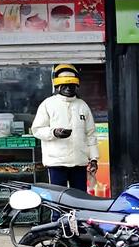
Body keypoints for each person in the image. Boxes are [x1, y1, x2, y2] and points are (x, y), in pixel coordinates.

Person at [32, 64, 99, 192]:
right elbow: (37, 130)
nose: (68, 88)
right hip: (57, 163)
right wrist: (54, 133)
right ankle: (57, 214)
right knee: (59, 200)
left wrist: (94, 159)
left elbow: (91, 134)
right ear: (57, 86)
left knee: (79, 198)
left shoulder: (82, 105)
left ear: (77, 86)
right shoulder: (48, 104)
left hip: (79, 162)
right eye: (64, 85)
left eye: (71, 85)